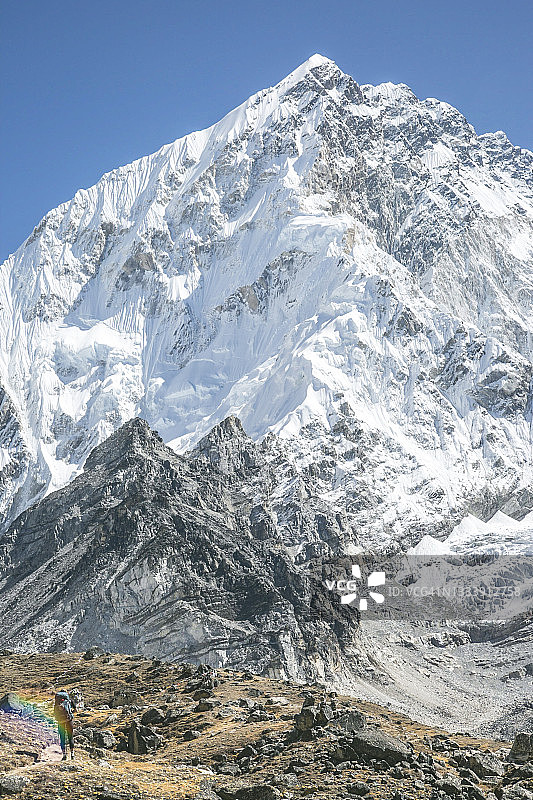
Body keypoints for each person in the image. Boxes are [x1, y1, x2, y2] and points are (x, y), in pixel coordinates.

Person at [52, 690, 75, 760]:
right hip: (69, 720)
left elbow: (54, 713)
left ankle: (64, 755)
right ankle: (72, 754)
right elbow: (75, 710)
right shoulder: (69, 700)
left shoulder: (57, 702)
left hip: (60, 721)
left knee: (62, 738)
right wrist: (71, 713)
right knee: (70, 737)